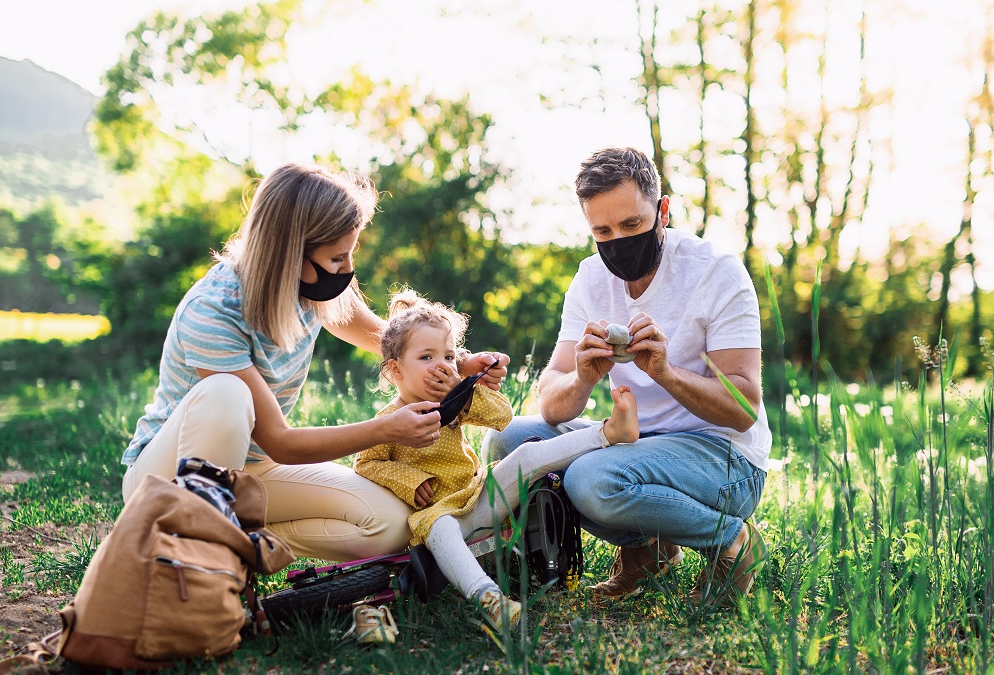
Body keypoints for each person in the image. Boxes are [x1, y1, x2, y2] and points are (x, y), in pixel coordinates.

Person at [120, 163, 508, 562]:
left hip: (253, 470)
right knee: (226, 395)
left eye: (350, 254)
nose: (348, 270)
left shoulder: (312, 290)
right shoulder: (214, 312)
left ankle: (238, 539)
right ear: (291, 251)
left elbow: (389, 341)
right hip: (169, 478)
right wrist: (385, 429)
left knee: (390, 524)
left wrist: (458, 363)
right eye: (338, 258)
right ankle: (188, 549)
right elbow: (281, 443)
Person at [484, 147, 772, 606]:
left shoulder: (715, 271)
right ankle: (648, 550)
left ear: (662, 210)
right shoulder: (591, 278)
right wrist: (581, 378)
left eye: (632, 225)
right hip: (639, 445)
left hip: (724, 459)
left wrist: (666, 373)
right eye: (602, 230)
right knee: (510, 441)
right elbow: (552, 403)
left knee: (591, 480)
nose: (617, 240)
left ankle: (733, 541)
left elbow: (742, 409)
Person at [354, 288, 641, 631]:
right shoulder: (388, 419)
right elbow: (366, 463)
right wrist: (409, 481)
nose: (441, 367)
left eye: (448, 357)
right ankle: (489, 598)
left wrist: (462, 393)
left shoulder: (455, 401)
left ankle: (609, 433)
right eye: (426, 358)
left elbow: (503, 417)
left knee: (527, 455)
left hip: (478, 497)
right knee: (441, 529)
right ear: (395, 370)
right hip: (438, 515)